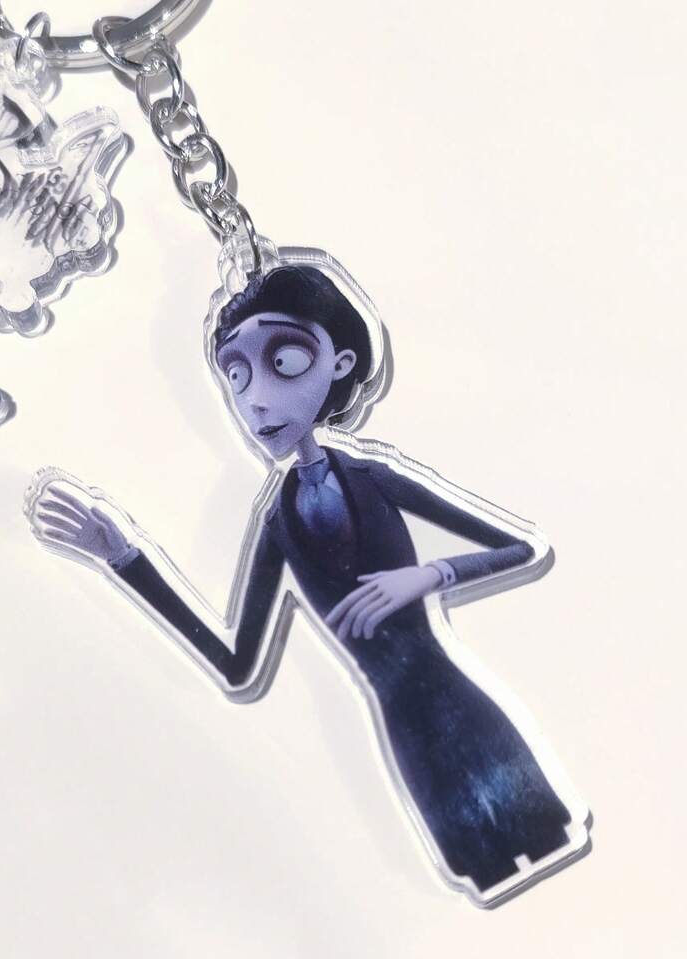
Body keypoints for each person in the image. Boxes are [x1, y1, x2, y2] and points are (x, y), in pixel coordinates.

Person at [33, 264, 583, 901]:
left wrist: (428, 576)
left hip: (461, 703)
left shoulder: (374, 476)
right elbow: (237, 664)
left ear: (340, 363)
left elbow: (520, 548)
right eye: (236, 376)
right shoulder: (276, 522)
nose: (257, 401)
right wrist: (124, 558)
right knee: (489, 874)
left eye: (285, 361)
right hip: (405, 732)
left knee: (545, 841)